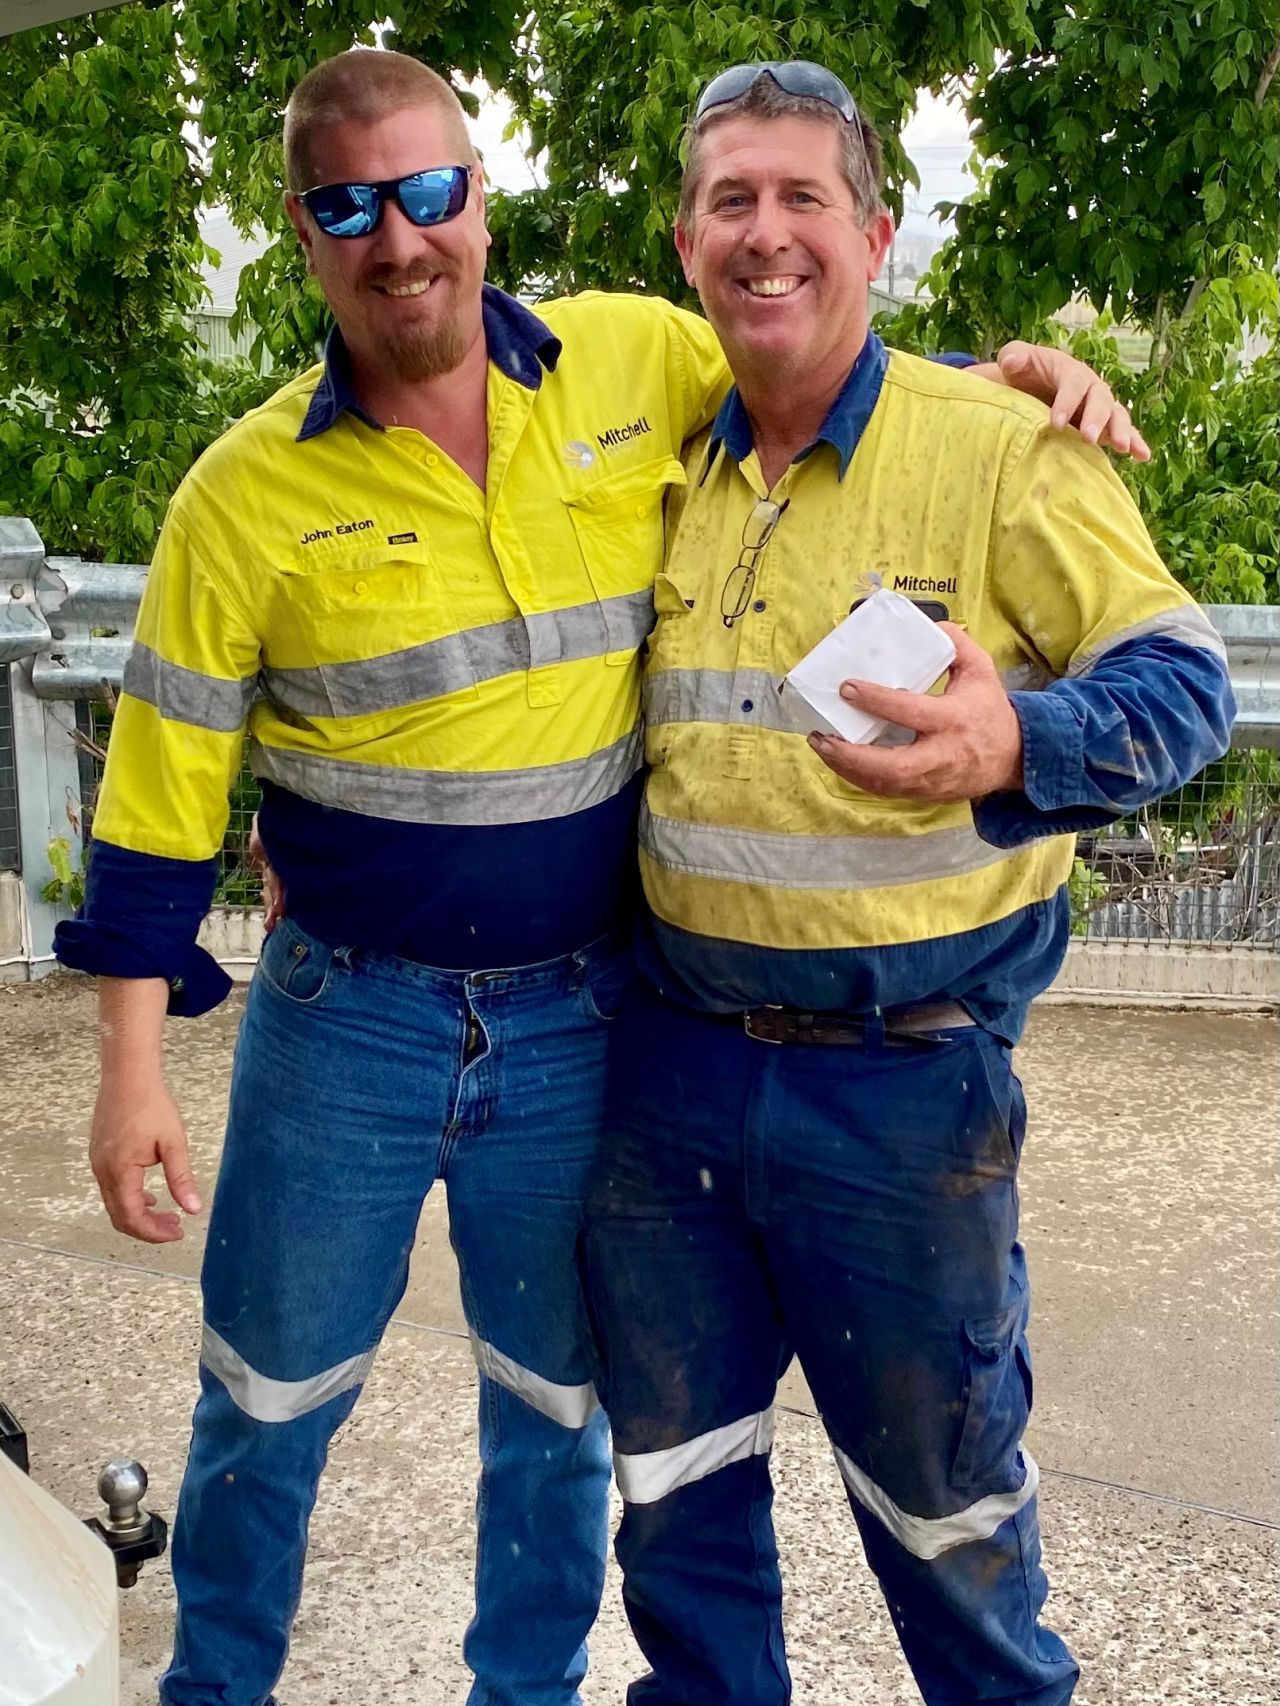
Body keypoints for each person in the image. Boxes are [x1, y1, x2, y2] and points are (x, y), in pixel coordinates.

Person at [54, 47, 1148, 1706]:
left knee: (555, 1412)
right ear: (302, 230)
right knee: (266, 1398)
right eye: (351, 207)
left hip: (584, 1017)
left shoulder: (631, 358)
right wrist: (131, 1068)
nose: (400, 237)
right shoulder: (242, 492)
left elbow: (813, 360)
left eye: (430, 189)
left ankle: (529, 1692)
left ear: (481, 201)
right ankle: (217, 1685)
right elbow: (155, 798)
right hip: (347, 1024)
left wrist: (1009, 384)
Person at [581, 61, 1235, 1706]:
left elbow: (1188, 688)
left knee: (951, 1534)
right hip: (666, 1082)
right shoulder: (650, 460)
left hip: (904, 1094)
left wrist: (1018, 739)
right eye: (731, 200)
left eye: (805, 197)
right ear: (685, 244)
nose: (767, 233)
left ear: (876, 235)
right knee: (677, 1522)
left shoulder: (1002, 448)